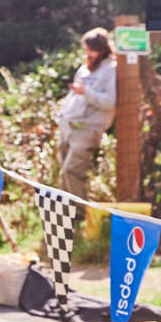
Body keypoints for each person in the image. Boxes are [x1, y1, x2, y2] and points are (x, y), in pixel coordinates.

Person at [55, 27, 118, 199]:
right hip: (68, 126)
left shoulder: (112, 69)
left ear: (102, 49)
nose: (87, 53)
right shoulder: (85, 67)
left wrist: (86, 92)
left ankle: (79, 213)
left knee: (72, 171)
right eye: (86, 49)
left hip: (87, 129)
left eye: (91, 50)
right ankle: (67, 211)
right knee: (64, 172)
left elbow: (111, 102)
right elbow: (76, 94)